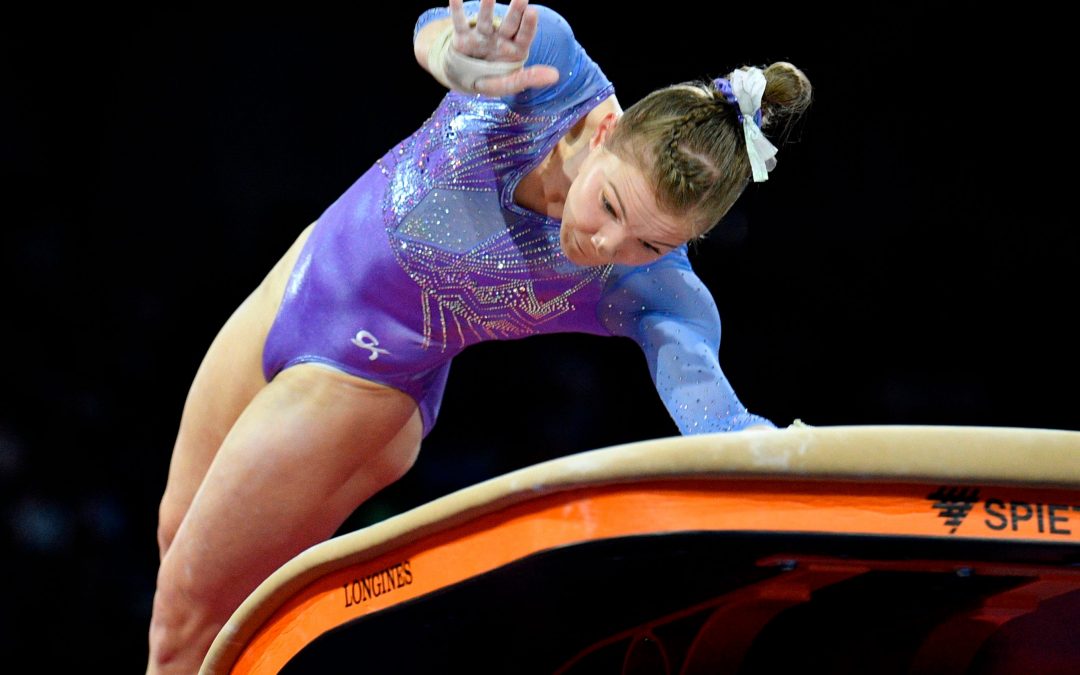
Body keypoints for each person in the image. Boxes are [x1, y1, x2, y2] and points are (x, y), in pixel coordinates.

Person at [146, 0, 812, 671]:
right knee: (174, 538)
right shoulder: (550, 69)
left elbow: (713, 410)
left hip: (360, 387)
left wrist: (767, 456)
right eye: (610, 204)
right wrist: (450, 58)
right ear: (606, 130)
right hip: (292, 280)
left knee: (184, 616)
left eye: (651, 241)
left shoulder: (656, 290)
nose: (605, 243)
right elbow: (433, 28)